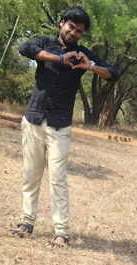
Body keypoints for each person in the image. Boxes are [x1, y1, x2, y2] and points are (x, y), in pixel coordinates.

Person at [9, 6, 119, 248]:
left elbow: (113, 73)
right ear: (61, 23)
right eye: (71, 27)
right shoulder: (45, 42)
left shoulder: (83, 54)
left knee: (57, 178)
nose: (74, 33)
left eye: (79, 31)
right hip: (34, 119)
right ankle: (26, 222)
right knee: (31, 175)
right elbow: (26, 49)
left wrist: (89, 66)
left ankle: (61, 231)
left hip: (59, 125)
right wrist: (58, 58)